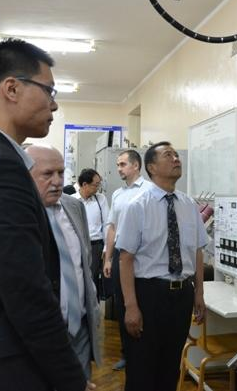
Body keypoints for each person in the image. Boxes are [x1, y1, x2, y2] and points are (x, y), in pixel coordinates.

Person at [0, 38, 93, 391]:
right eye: (48, 90)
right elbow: (27, 292)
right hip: (2, 369)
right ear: (11, 88)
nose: (54, 104)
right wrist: (72, 378)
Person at [117, 141, 207, 391]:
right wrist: (131, 307)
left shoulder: (189, 205)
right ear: (152, 167)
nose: (176, 159)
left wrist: (199, 293)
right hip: (149, 294)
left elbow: (197, 251)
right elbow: (126, 259)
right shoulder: (137, 206)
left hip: (182, 295)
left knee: (170, 366)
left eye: (177, 155)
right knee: (142, 368)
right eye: (168, 155)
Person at [27, 145, 102, 379]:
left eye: (61, 173)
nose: (57, 181)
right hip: (41, 332)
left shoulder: (74, 206)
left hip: (80, 328)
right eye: (47, 174)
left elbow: (84, 262)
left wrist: (93, 306)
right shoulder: (18, 214)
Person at [102, 149, 152, 370]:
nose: (118, 169)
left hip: (142, 258)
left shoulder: (150, 191)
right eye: (118, 164)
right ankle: (127, 353)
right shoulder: (117, 195)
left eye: (122, 164)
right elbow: (112, 227)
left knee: (142, 303)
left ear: (136, 165)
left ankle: (143, 353)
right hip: (120, 256)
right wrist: (108, 258)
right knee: (123, 305)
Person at [75, 168, 109, 299]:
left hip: (95, 246)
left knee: (92, 279)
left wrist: (106, 249)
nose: (98, 188)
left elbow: (107, 224)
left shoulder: (101, 200)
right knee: (78, 277)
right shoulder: (72, 201)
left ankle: (93, 307)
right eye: (96, 185)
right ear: (85, 184)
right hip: (77, 245)